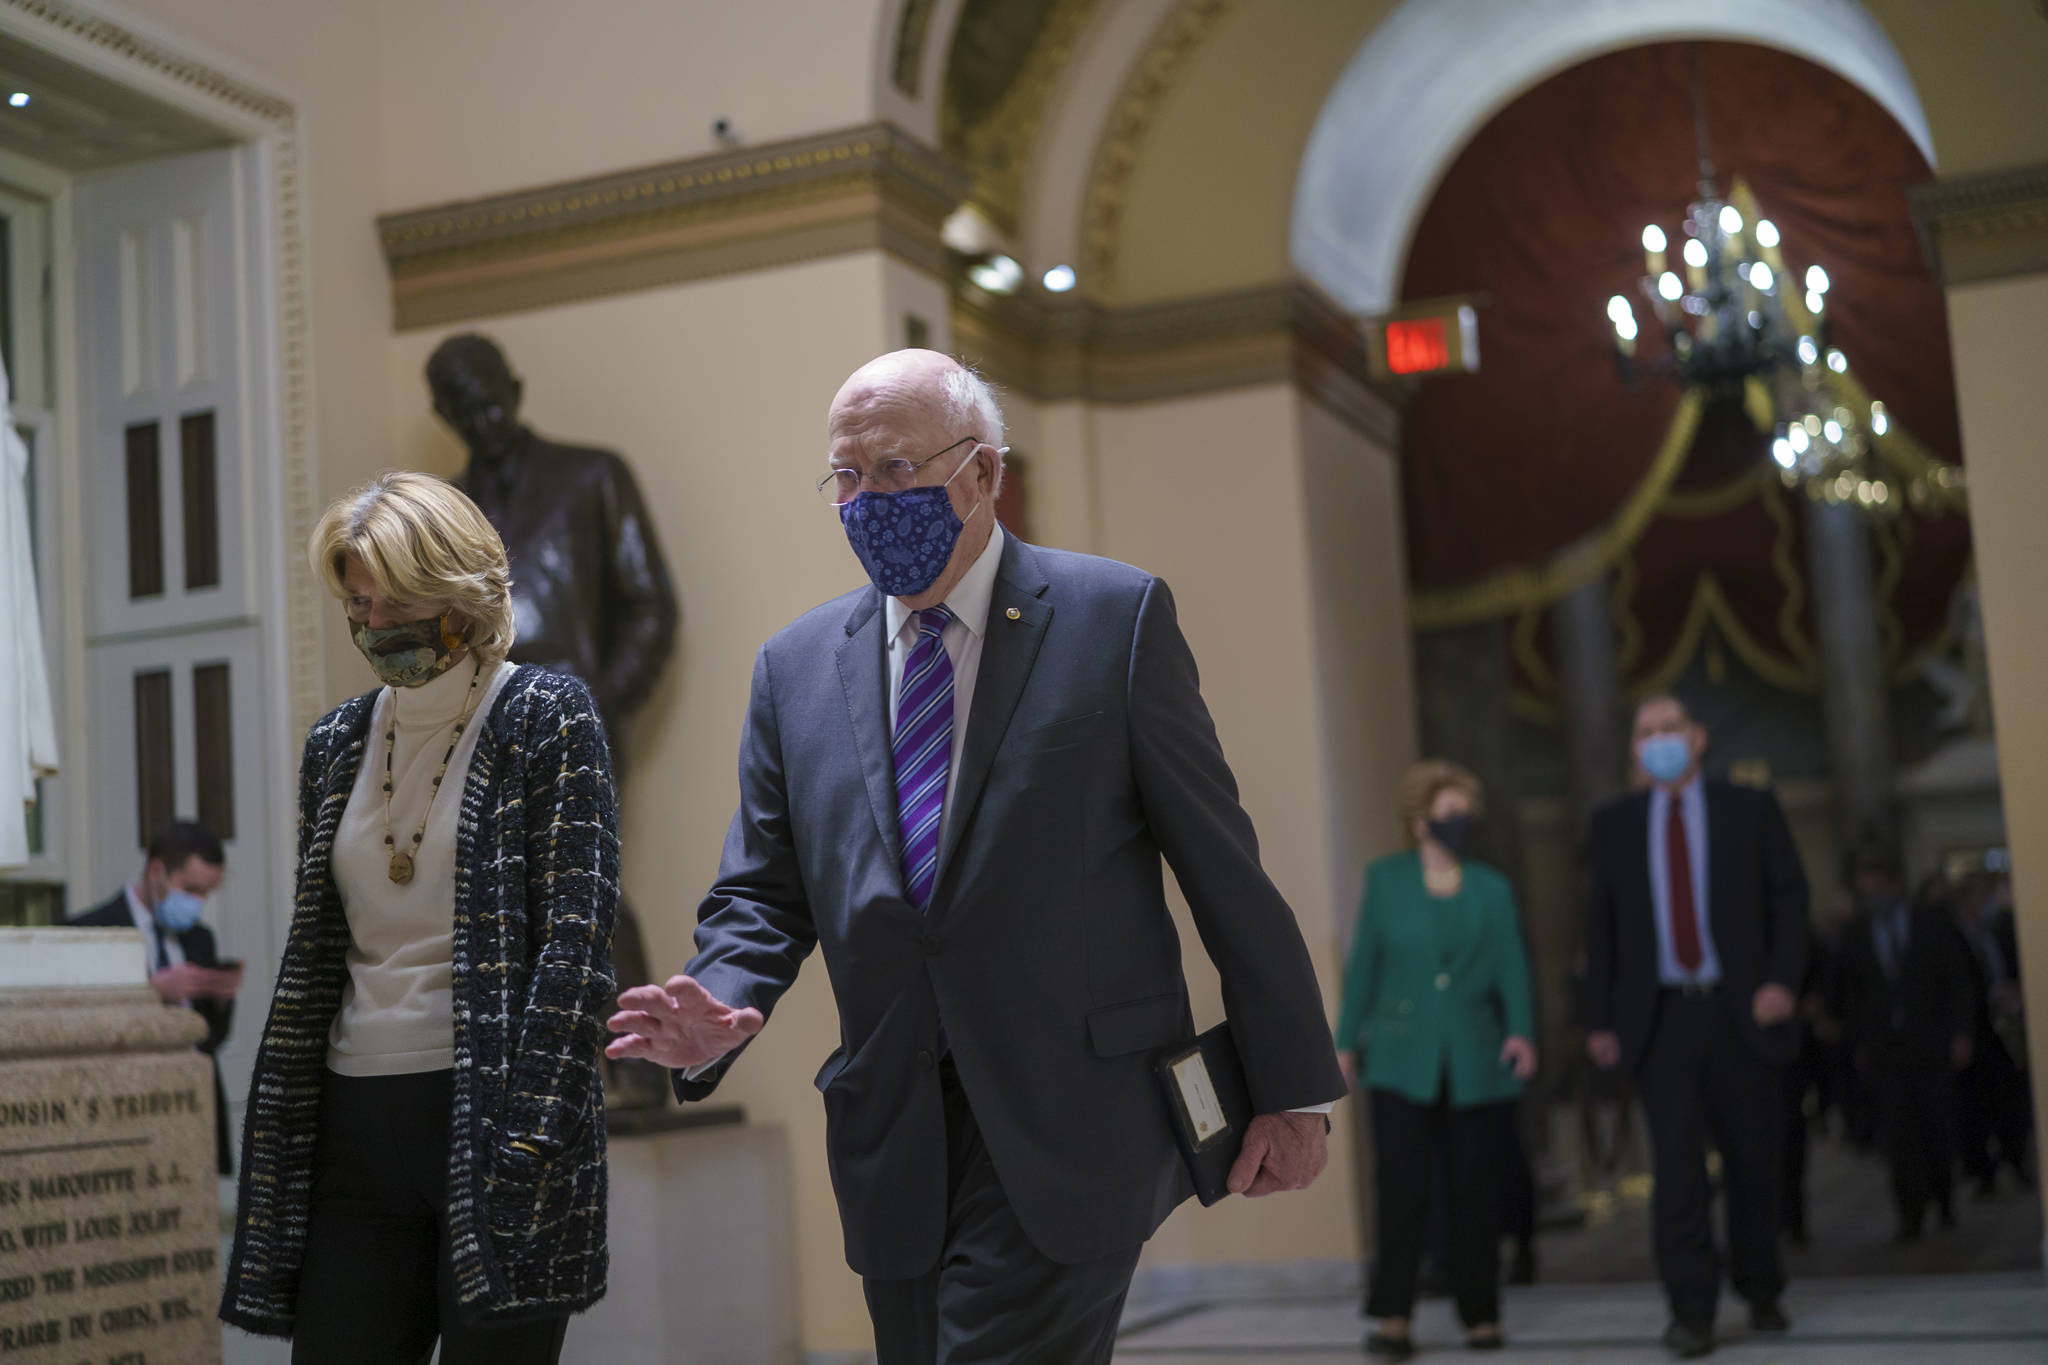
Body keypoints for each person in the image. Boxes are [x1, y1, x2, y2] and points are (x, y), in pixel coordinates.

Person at [605, 350, 1344, 1364]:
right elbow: (763, 896)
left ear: (983, 473)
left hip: (1074, 1116)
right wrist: (716, 1003)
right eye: (847, 478)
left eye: (896, 471)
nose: (868, 500)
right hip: (894, 1134)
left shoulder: (1110, 621)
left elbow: (1223, 867)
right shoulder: (794, 671)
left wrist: (1291, 1086)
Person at [221, 472, 619, 1365]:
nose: (375, 623)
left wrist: (532, 1129)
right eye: (359, 600)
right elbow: (327, 942)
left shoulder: (548, 716)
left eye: (398, 596)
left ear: (461, 588)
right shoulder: (337, 742)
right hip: (353, 1114)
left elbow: (575, 942)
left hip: (493, 1110)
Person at [428, 333, 678, 1110]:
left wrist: (601, 703)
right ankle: (539, 1080)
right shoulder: (443, 513)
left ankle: (636, 1067)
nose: (485, 415)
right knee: (499, 900)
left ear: (518, 384)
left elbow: (651, 606)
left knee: (581, 884)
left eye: (493, 395)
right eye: (465, 407)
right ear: (444, 414)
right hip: (481, 729)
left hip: (579, 719)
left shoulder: (592, 475)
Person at [1582, 695, 1808, 1359]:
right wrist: (1598, 1017)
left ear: (1699, 737)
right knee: (1675, 1169)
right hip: (1661, 1018)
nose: (1658, 741)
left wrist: (1782, 981)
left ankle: (1761, 1284)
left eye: (1669, 728)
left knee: (1752, 1161)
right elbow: (1602, 926)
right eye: (1645, 732)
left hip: (1741, 1010)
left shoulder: (1750, 808)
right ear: (1634, 749)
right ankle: (1691, 1310)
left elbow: (1790, 898)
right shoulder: (1614, 823)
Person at [1334, 760, 1536, 1357]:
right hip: (1399, 1060)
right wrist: (1344, 1043)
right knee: (1400, 1189)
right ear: (1419, 822)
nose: (1459, 825)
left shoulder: (1492, 888)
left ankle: (1481, 1313)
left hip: (1475, 1058)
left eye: (1464, 815)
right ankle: (1393, 1316)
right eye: (1448, 815)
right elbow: (1363, 967)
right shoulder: (1385, 880)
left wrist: (1522, 1033)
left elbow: (1512, 968)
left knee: (1476, 1190)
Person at [72, 821, 243, 1174]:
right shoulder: (89, 932)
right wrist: (150, 992)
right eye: (191, 889)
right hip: (120, 1110)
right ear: (156, 871)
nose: (197, 904)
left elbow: (212, 1039)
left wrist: (221, 996)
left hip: (193, 1108)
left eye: (206, 894)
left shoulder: (200, 938)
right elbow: (75, 1026)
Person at [1840, 857, 1973, 1243]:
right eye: (1867, 883)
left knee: (1936, 1124)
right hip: (1887, 1050)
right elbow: (1852, 993)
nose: (1874, 891)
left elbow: (1956, 978)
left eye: (1878, 881)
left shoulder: (1930, 922)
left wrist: (1961, 1032)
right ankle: (1910, 1214)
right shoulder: (1858, 932)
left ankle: (1944, 1201)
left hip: (1930, 1044)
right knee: (1899, 1135)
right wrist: (1860, 1041)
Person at [1955, 871, 2033, 1195]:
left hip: (2003, 1026)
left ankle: (2015, 1160)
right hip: (1977, 1029)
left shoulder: (1996, 930)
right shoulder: (1956, 935)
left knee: (2010, 1100)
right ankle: (1984, 1171)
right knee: (1977, 1104)